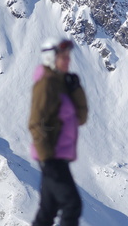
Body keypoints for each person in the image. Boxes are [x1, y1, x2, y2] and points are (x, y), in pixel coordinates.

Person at [29, 37, 88, 226]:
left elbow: (81, 118)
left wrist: (76, 89)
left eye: (68, 56)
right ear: (50, 58)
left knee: (48, 211)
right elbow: (35, 123)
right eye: (63, 57)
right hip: (52, 159)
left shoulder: (61, 84)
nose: (68, 60)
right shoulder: (46, 85)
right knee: (72, 205)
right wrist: (48, 160)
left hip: (57, 158)